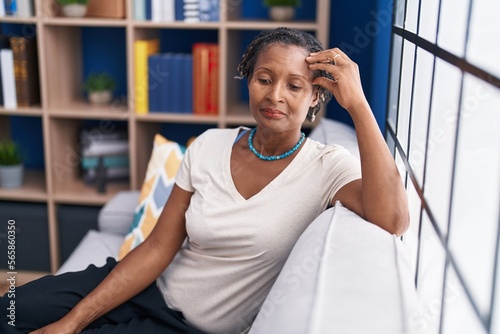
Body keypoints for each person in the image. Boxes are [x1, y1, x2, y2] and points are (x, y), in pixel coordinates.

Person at [0, 27, 408, 334]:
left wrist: (357, 104)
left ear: (316, 96)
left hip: (187, 327)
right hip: (143, 288)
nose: (275, 96)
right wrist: (75, 319)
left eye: (295, 85)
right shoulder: (210, 145)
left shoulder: (328, 166)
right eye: (264, 78)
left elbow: (392, 218)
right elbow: (159, 247)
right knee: (11, 312)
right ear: (248, 80)